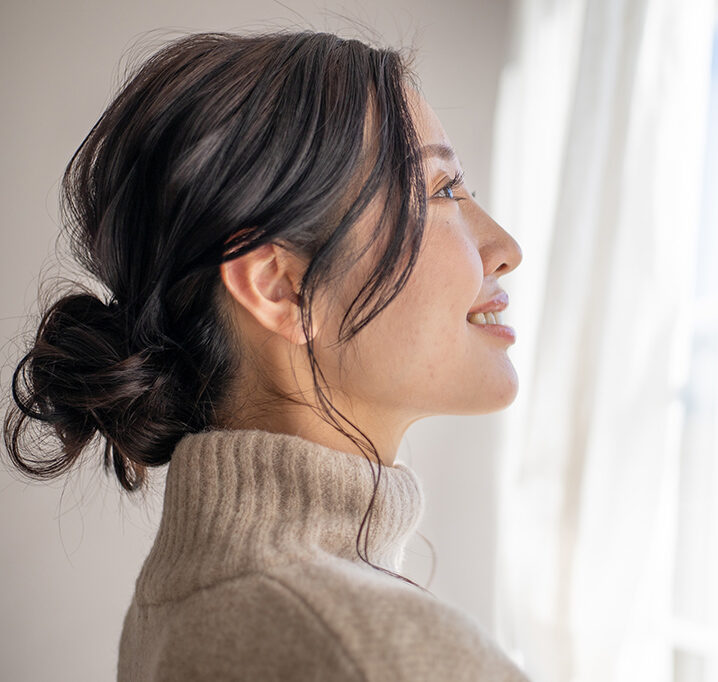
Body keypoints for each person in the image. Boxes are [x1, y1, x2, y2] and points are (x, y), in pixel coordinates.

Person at [3, 30, 528, 681]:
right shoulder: (368, 651)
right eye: (441, 189)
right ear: (280, 286)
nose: (504, 246)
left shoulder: (193, 602)